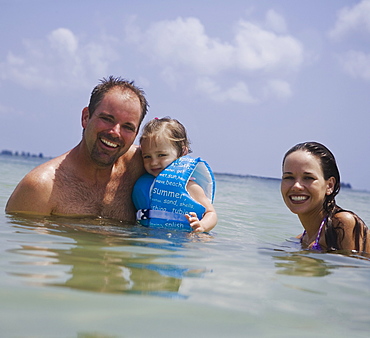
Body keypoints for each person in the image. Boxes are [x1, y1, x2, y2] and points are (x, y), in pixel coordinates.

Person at [6, 76, 148, 222]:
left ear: (136, 134)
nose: (115, 132)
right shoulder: (41, 188)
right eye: (107, 119)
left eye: (127, 127)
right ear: (86, 117)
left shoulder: (143, 164)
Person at [281, 141, 369, 253]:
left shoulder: (342, 224)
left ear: (329, 185)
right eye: (289, 177)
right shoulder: (302, 239)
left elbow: (352, 270)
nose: (296, 186)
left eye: (308, 178)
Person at [132, 117, 217, 232]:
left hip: (183, 240)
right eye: (147, 156)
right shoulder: (145, 182)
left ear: (182, 153)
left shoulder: (190, 186)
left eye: (161, 155)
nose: (154, 162)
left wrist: (202, 226)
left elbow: (211, 213)